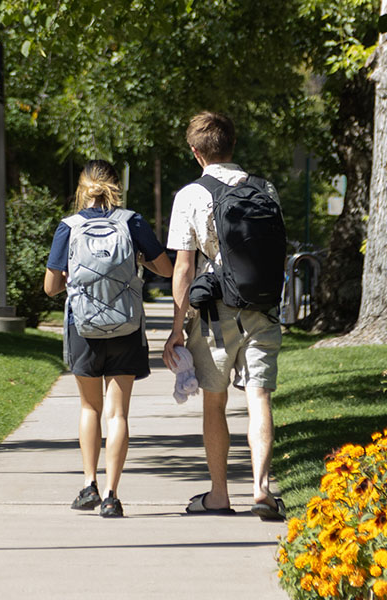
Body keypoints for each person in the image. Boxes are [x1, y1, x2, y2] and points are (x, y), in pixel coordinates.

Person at [162, 111, 287, 521]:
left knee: (214, 404)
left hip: (214, 317)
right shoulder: (265, 188)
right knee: (259, 397)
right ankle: (262, 489)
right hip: (262, 309)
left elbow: (183, 266)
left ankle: (219, 495)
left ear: (196, 153)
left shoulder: (190, 195)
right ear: (233, 145)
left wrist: (176, 328)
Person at [43, 160, 173, 518]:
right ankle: (113, 495)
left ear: (81, 189)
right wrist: (139, 260)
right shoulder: (132, 222)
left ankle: (89, 485)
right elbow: (166, 269)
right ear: (117, 186)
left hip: (83, 328)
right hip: (126, 326)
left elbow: (51, 288)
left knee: (90, 408)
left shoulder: (67, 227)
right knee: (118, 414)